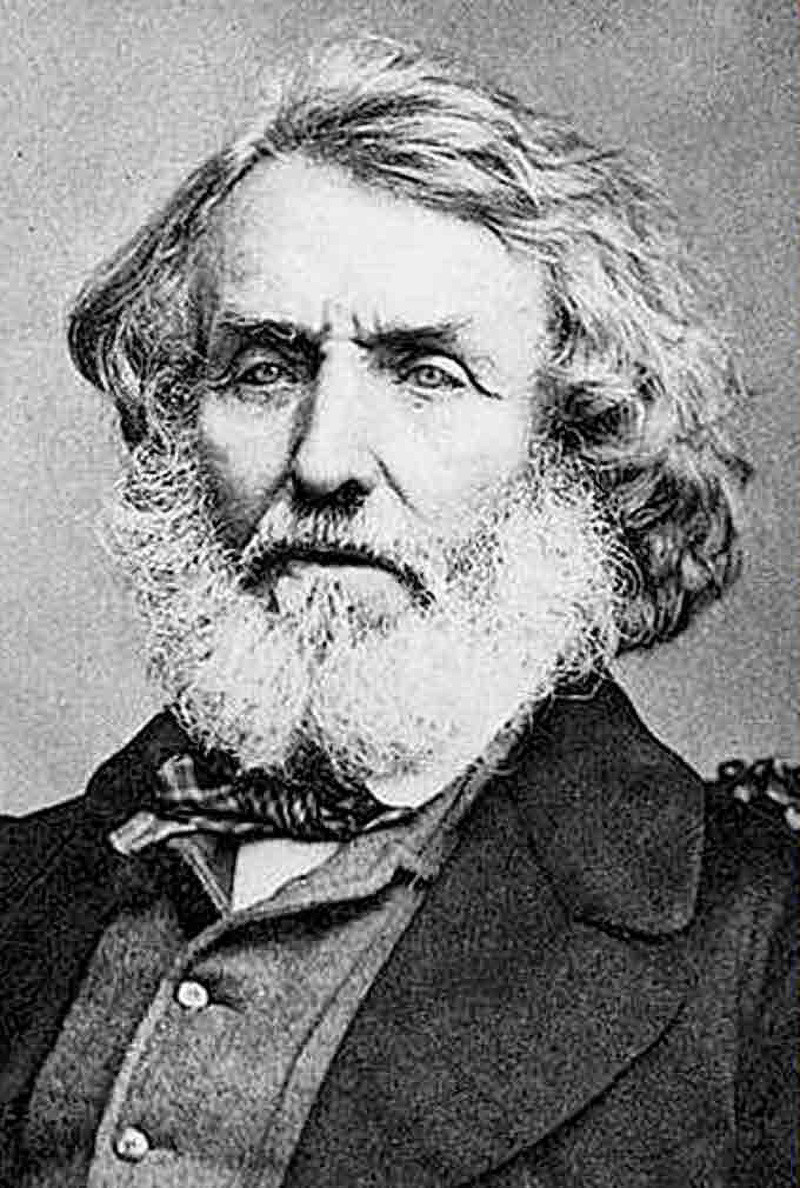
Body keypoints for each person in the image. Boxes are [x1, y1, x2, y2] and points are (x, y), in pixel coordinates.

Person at [0, 36, 795, 1188]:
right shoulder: (23, 886)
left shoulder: (759, 947)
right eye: (264, 369)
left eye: (425, 373)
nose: (324, 460)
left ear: (571, 446)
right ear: (178, 420)